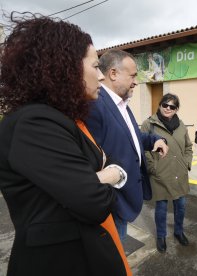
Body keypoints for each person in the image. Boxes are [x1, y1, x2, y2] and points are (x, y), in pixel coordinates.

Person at [0, 15, 132, 275]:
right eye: (95, 67)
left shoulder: (66, 119)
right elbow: (95, 203)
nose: (101, 78)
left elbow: (108, 160)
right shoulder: (35, 123)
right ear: (65, 67)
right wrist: (107, 174)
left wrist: (97, 175)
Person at [85, 49, 168, 243]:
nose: (136, 81)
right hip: (113, 203)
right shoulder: (95, 105)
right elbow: (90, 159)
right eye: (132, 75)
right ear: (113, 74)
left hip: (122, 201)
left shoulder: (120, 103)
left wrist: (154, 139)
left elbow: (131, 136)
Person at [141, 93, 193, 253]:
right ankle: (161, 236)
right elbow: (144, 150)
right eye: (165, 105)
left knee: (181, 206)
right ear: (160, 105)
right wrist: (152, 167)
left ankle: (179, 232)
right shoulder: (149, 124)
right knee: (161, 208)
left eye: (172, 106)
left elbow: (188, 147)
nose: (168, 108)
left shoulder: (181, 124)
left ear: (176, 109)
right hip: (160, 173)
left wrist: (186, 163)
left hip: (179, 172)